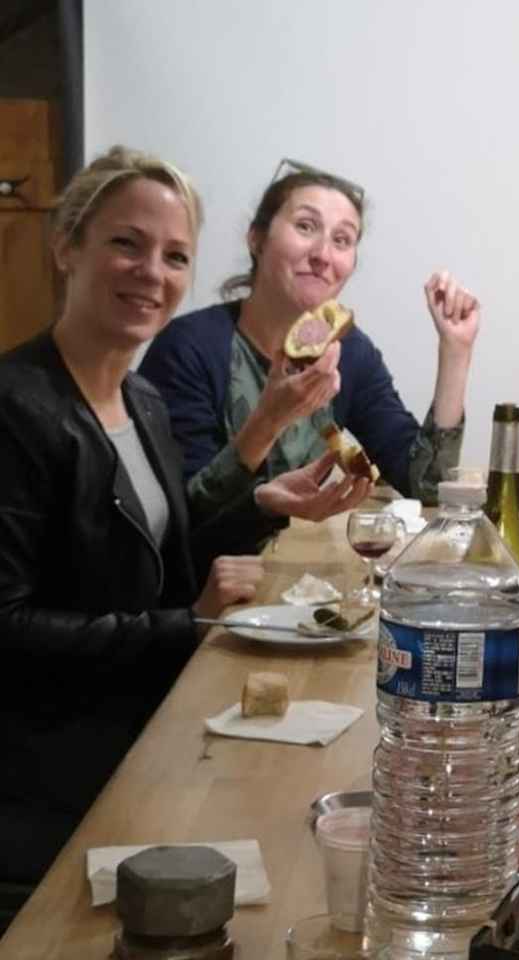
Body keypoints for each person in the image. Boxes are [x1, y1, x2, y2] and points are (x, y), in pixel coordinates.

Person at [0, 147, 344, 914]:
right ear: (66, 247)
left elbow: (162, 557)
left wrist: (261, 504)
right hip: (52, 779)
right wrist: (182, 626)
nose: (152, 272)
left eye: (176, 256)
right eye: (127, 243)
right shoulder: (15, 408)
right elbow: (8, 628)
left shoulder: (140, 401)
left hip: (146, 729)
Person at [139, 159, 480, 568]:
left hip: (294, 574)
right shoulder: (189, 347)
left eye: (342, 240)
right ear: (256, 238)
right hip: (207, 586)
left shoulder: (350, 353)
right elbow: (181, 518)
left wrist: (455, 351)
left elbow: (424, 485)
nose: (322, 255)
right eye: (305, 226)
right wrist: (269, 419)